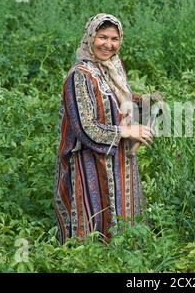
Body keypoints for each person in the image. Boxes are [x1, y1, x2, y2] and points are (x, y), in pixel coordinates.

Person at [54, 13, 155, 244]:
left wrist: (144, 102)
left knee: (121, 220)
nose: (108, 45)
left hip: (117, 158)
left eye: (114, 39)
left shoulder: (112, 66)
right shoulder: (79, 75)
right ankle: (87, 261)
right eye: (102, 37)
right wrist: (125, 132)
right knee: (93, 223)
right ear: (91, 37)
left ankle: (125, 254)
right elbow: (85, 126)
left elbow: (116, 99)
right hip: (87, 161)